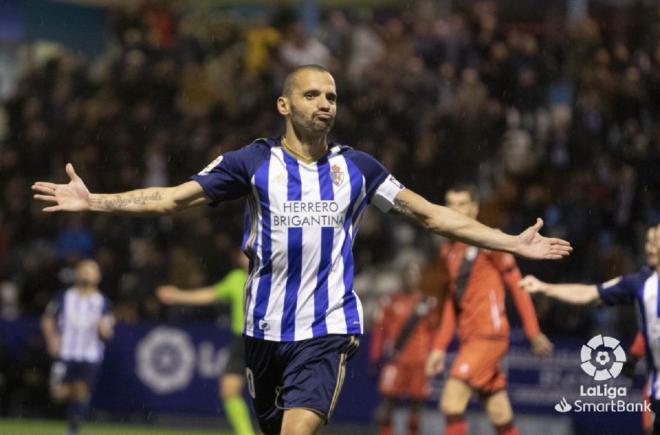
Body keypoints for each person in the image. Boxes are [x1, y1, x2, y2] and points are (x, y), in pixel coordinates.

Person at [32, 64, 572, 435]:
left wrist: (510, 240)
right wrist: (95, 200)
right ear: (285, 104)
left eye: (332, 96)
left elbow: (431, 215)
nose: (325, 104)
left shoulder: (357, 168)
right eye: (313, 95)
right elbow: (172, 200)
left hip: (327, 329)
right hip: (263, 332)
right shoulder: (251, 161)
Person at [424, 184, 554, 435]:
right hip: (470, 338)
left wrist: (533, 332)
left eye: (461, 203)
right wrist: (439, 347)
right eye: (450, 203)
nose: (454, 209)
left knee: (451, 403)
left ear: (474, 209)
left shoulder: (490, 239)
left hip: (489, 336)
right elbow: (453, 303)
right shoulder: (448, 252)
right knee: (500, 413)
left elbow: (518, 286)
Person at [521, 223, 659, 435]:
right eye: (649, 242)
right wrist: (545, 288)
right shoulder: (641, 283)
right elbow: (590, 294)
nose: (651, 248)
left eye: (657, 242)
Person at [156, 249, 255, 435]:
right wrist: (177, 295)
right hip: (241, 342)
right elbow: (209, 295)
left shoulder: (272, 278)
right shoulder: (236, 278)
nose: (243, 256)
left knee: (274, 396)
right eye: (242, 253)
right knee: (229, 390)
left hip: (267, 340)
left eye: (246, 252)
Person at [41, 259, 114, 435]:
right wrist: (52, 338)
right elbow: (48, 318)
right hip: (65, 353)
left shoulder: (102, 302)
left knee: (81, 389)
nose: (88, 274)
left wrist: (103, 330)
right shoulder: (64, 297)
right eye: (85, 270)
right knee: (57, 393)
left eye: (92, 271)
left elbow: (108, 331)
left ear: (98, 276)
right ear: (77, 273)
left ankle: (73, 429)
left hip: (90, 354)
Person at [369, 259, 440, 435]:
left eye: (415, 275)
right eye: (408, 275)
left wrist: (434, 355)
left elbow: (433, 332)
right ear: (402, 278)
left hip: (419, 362)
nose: (411, 279)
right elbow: (379, 332)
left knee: (416, 408)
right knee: (386, 408)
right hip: (396, 361)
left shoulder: (427, 303)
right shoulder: (389, 302)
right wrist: (374, 358)